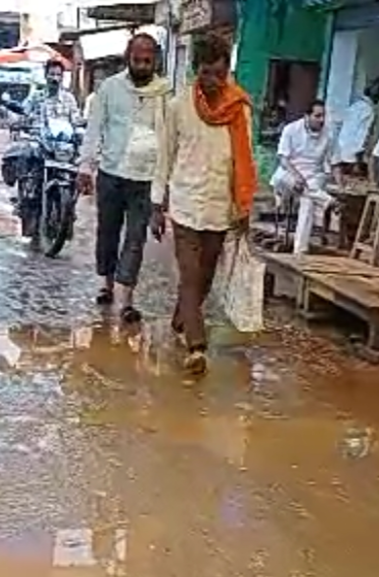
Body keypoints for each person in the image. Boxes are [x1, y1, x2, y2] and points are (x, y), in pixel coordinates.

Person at [150, 33, 256, 376]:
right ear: (197, 70)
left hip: (220, 209)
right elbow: (164, 157)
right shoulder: (178, 106)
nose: (213, 82)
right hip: (184, 205)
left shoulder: (239, 110)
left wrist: (244, 207)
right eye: (207, 73)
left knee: (205, 278)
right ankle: (197, 346)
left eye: (220, 75)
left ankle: (182, 318)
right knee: (190, 275)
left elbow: (245, 161)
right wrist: (156, 205)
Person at [77, 33, 170, 324]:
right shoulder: (109, 88)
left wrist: (164, 189)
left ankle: (126, 300)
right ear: (127, 58)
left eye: (148, 60)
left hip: (145, 179)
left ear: (155, 61)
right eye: (137, 60)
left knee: (135, 239)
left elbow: (169, 141)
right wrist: (85, 165)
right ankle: (106, 284)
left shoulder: (165, 93)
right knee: (107, 232)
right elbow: (95, 128)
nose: (142, 66)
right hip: (111, 174)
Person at [270, 100, 338, 254]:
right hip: (289, 174)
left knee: (308, 201)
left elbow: (333, 162)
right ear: (307, 116)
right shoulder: (291, 129)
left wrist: (338, 181)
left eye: (323, 116)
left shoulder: (328, 134)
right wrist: (297, 177)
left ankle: (300, 251)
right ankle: (328, 201)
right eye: (317, 116)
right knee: (283, 179)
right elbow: (283, 159)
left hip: (313, 176)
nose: (321, 120)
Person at [333, 76, 379, 177]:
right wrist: (359, 159)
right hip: (353, 158)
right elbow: (363, 136)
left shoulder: (355, 106)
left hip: (341, 153)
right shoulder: (368, 111)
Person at [23, 58, 81, 125]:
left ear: (62, 77)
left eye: (58, 75)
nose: (55, 78)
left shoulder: (69, 99)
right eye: (52, 74)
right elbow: (24, 114)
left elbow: (76, 121)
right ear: (45, 75)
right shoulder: (36, 97)